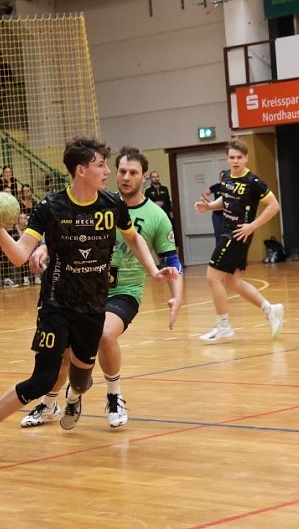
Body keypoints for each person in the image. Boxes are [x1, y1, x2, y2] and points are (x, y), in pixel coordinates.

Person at [0, 137, 176, 464]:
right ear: (81, 170)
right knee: (44, 378)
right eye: (101, 165)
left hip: (94, 306)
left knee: (82, 378)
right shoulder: (50, 208)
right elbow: (21, 255)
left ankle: (74, 397)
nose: (108, 171)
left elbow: (133, 239)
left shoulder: (112, 205)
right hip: (57, 305)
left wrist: (154, 270)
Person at [21, 146, 184, 429]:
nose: (124, 177)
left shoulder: (155, 216)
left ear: (144, 176)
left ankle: (114, 394)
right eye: (121, 171)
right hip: (80, 290)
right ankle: (50, 403)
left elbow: (172, 261)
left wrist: (176, 297)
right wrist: (45, 246)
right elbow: (67, 232)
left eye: (132, 172)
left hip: (124, 291)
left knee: (106, 335)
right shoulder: (96, 201)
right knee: (62, 356)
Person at [193, 139, 285, 342]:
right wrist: (209, 207)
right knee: (233, 281)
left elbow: (274, 206)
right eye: (232, 157)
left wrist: (253, 225)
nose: (235, 161)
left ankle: (223, 325)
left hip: (237, 234)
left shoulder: (253, 182)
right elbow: (225, 201)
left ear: (246, 158)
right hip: (227, 232)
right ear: (227, 159)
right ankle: (270, 310)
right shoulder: (226, 177)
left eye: (239, 157)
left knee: (212, 277)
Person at [202, 170, 227, 241]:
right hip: (217, 215)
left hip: (227, 214)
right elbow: (204, 193)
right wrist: (211, 203)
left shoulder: (230, 187)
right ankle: (218, 251)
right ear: (219, 178)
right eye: (221, 177)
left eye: (224, 177)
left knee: (226, 235)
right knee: (218, 234)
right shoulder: (216, 186)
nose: (223, 178)